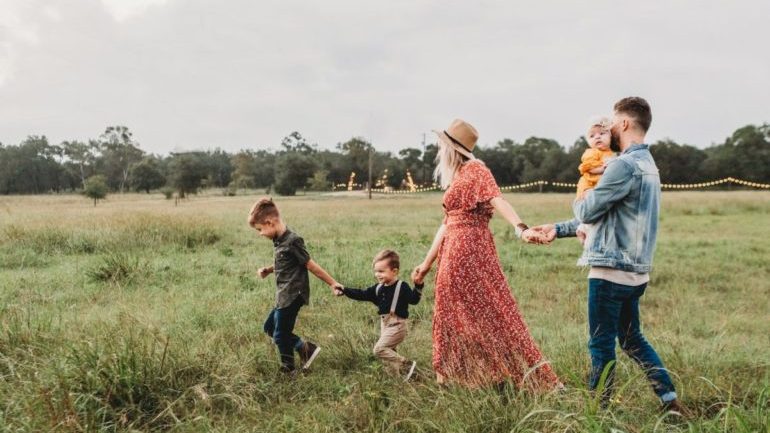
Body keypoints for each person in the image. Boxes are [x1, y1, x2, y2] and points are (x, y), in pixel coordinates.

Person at [530, 97, 687, 414]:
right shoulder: (648, 166)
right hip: (636, 272)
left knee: (601, 344)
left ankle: (597, 412)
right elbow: (608, 216)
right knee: (632, 340)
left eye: (614, 123)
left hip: (609, 271)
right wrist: (558, 229)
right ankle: (670, 402)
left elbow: (587, 209)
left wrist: (582, 189)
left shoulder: (622, 165)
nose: (610, 128)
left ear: (625, 124)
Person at [411, 118, 560, 389]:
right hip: (454, 249)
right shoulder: (459, 176)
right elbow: (446, 223)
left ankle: (491, 374)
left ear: (451, 149)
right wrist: (426, 263)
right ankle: (458, 377)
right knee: (456, 313)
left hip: (468, 250)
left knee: (486, 312)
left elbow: (497, 199)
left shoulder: (476, 170)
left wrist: (521, 228)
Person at [248, 197, 343, 374]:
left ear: (270, 222)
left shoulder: (293, 240)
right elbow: (285, 263)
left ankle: (288, 368)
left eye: (260, 229)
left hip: (293, 295)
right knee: (270, 327)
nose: (260, 233)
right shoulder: (279, 240)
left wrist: (332, 283)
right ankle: (305, 349)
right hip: (283, 295)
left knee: (280, 334)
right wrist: (269, 270)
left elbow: (310, 265)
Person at [335, 249, 422, 381]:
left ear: (394, 271)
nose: (377, 274)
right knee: (389, 356)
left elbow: (414, 300)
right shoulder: (378, 288)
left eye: (381, 271)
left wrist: (418, 285)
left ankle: (406, 364)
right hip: (385, 324)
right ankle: (397, 380)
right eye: (376, 271)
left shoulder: (401, 287)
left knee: (379, 349)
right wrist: (345, 289)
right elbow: (362, 294)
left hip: (398, 325)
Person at [576, 116, 616, 250]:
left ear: (611, 136)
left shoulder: (611, 153)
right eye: (592, 136)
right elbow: (586, 167)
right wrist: (602, 169)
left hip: (599, 186)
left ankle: (582, 228)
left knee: (599, 212)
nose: (597, 137)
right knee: (592, 206)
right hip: (589, 185)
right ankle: (585, 232)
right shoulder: (591, 152)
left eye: (602, 133)